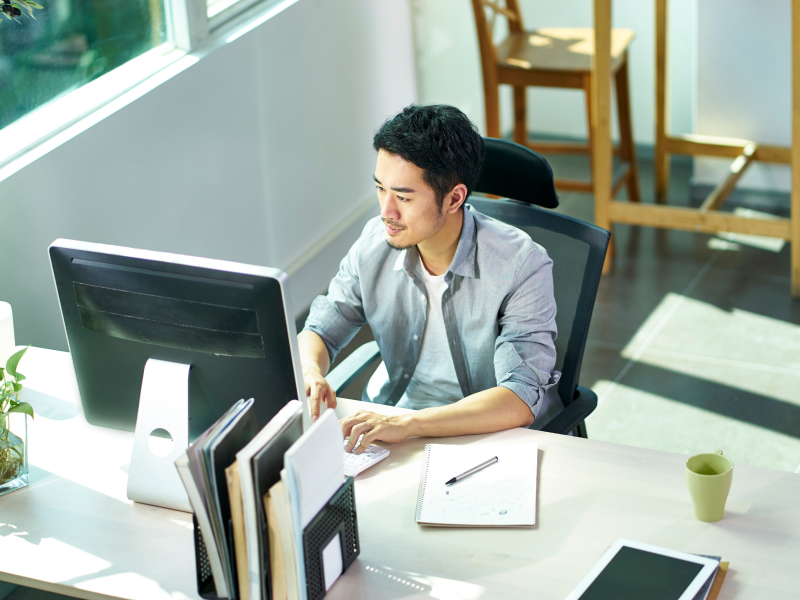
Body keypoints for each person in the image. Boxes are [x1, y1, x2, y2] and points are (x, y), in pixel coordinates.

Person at [298, 104, 559, 453]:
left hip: (481, 436)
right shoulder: (374, 243)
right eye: (381, 189)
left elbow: (519, 399)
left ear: (454, 198)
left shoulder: (520, 264)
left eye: (403, 197)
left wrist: (409, 424)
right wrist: (310, 371)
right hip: (391, 424)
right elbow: (321, 328)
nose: (386, 212)